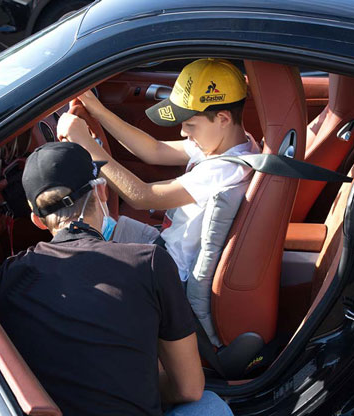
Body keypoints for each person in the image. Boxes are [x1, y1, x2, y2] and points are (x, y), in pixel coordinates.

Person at [0, 142, 237, 416]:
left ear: (37, 220)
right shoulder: (149, 262)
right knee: (214, 411)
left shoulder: (6, 277)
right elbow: (189, 388)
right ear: (100, 191)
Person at [57, 58, 260, 281]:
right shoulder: (231, 143)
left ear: (222, 118)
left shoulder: (224, 170)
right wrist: (98, 111)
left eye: (190, 125)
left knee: (81, 261)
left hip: (168, 272)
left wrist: (86, 144)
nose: (183, 133)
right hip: (164, 242)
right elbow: (155, 149)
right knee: (104, 228)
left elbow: (142, 197)